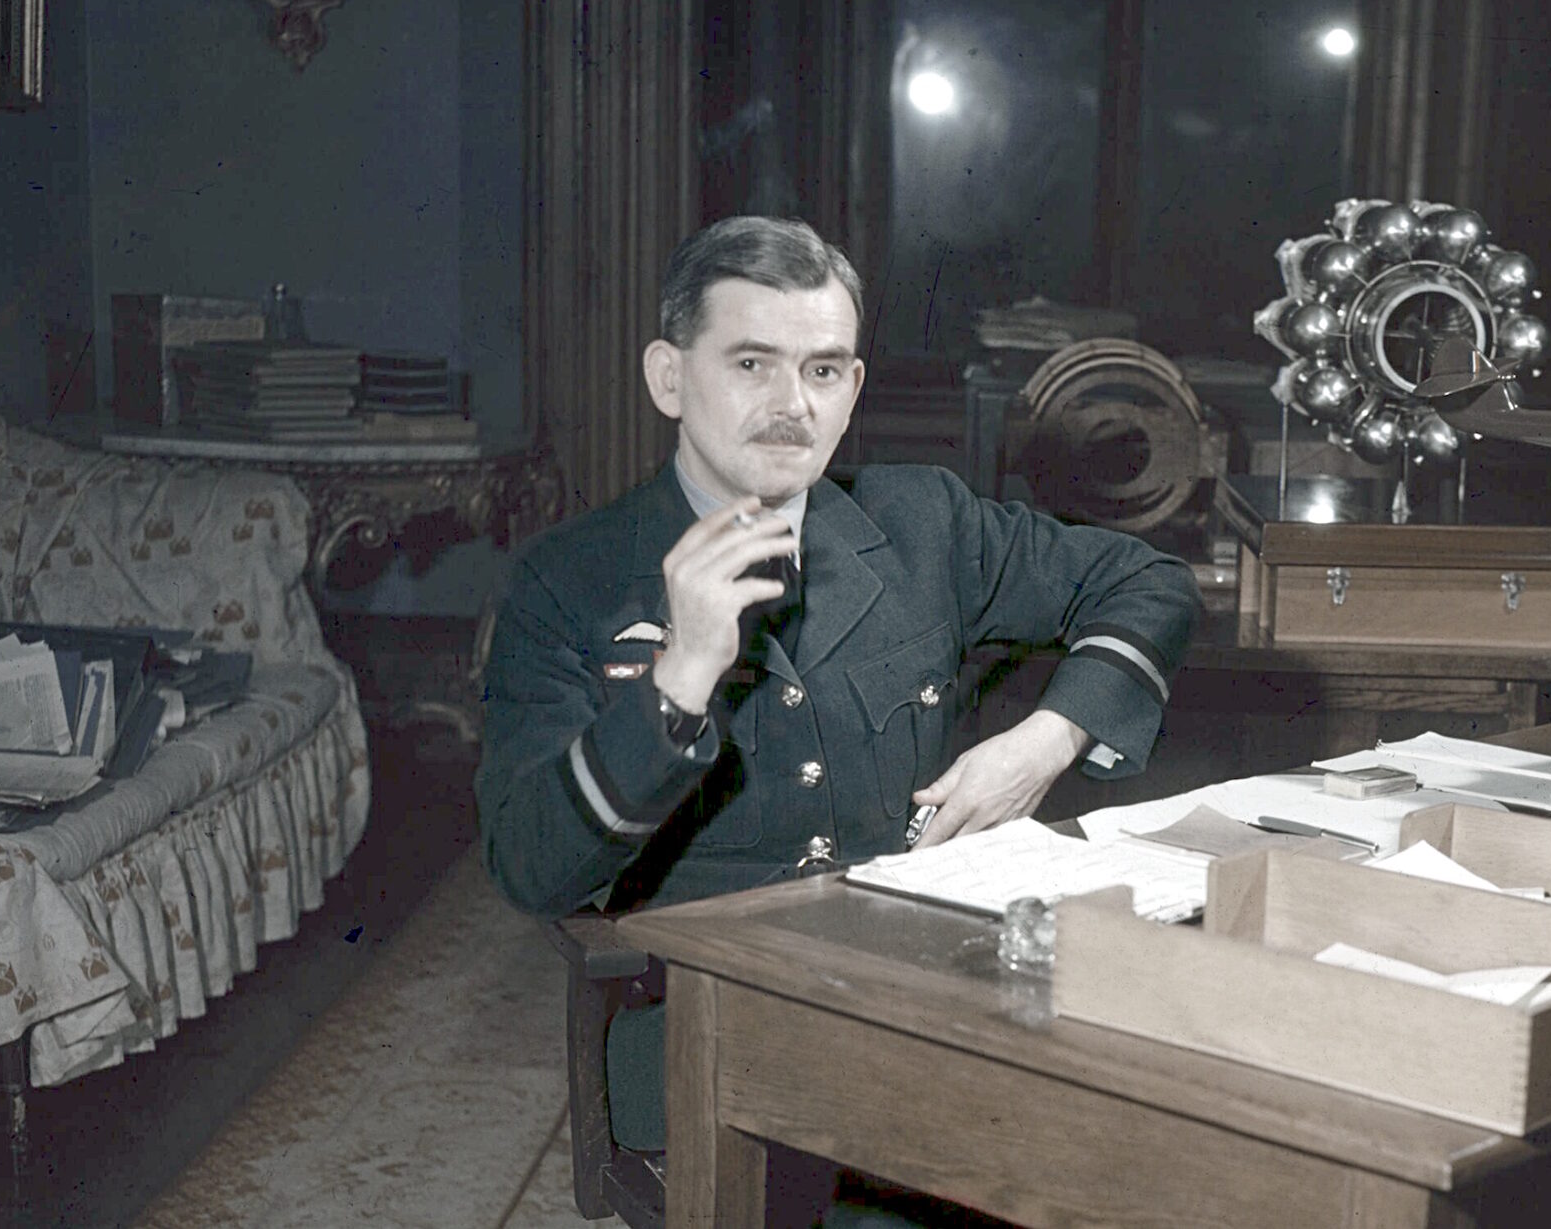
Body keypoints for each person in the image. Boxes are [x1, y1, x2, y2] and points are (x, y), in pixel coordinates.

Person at [474, 215, 1200, 1153]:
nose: (792, 404)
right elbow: (531, 867)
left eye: (821, 370)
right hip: (711, 1040)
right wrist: (680, 678)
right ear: (668, 377)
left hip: (932, 997)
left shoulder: (922, 522)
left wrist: (1044, 741)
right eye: (751, 363)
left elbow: (1149, 584)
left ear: (852, 390)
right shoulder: (564, 580)